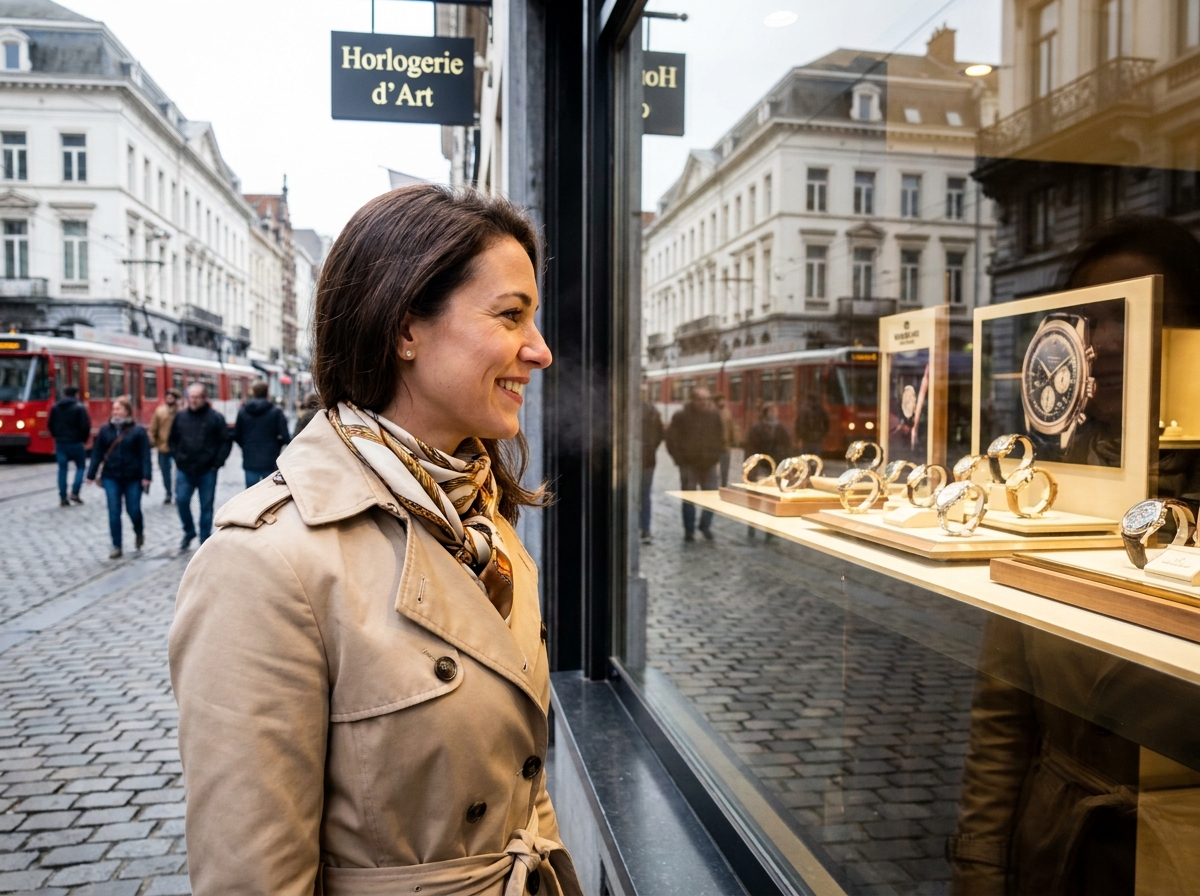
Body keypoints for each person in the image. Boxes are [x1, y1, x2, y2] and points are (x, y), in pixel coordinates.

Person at [169, 185, 580, 895]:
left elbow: (521, 783)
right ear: (405, 329)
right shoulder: (264, 562)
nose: (539, 351)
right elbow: (252, 878)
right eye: (512, 315)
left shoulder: (484, 526)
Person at [85, 397, 151, 559]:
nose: (115, 412)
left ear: (127, 411)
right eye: (114, 409)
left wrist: (146, 476)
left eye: (119, 409)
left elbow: (145, 455)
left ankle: (139, 531)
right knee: (114, 511)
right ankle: (117, 545)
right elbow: (97, 453)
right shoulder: (105, 430)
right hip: (111, 476)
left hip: (133, 477)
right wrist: (91, 475)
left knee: (133, 509)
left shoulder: (138, 431)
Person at [169, 383, 231, 551]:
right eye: (191, 397)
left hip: (207, 470)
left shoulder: (215, 418)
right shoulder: (180, 417)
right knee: (181, 501)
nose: (193, 400)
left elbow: (225, 441)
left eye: (197, 397)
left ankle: (204, 538)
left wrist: (217, 462)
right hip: (184, 469)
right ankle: (189, 531)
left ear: (204, 398)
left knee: (206, 506)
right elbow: (172, 440)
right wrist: (177, 458)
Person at [665, 386, 725, 541]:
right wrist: (679, 460)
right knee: (689, 498)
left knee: (711, 496)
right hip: (688, 464)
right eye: (700, 399)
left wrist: (716, 456)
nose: (703, 402)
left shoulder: (714, 416)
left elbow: (721, 438)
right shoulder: (681, 416)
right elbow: (671, 439)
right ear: (693, 400)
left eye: (706, 399)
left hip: (709, 463)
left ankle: (705, 525)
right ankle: (689, 531)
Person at [233, 380, 291, 487]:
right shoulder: (276, 412)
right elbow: (285, 436)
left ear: (253, 393)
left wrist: (245, 445)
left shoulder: (243, 411)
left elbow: (236, 434)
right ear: (267, 393)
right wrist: (278, 445)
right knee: (269, 493)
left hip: (250, 458)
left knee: (251, 493)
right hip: (270, 458)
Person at [48, 384, 91, 506]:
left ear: (64, 393)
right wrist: (83, 439)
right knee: (81, 467)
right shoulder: (79, 407)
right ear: (76, 395)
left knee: (62, 469)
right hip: (76, 443)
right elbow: (85, 426)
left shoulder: (55, 407)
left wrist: (56, 436)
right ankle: (75, 492)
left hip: (61, 443)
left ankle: (62, 497)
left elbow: (50, 424)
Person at [148, 389, 179, 504]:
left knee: (179, 473)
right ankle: (168, 492)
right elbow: (153, 428)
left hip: (179, 448)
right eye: (168, 397)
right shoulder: (160, 411)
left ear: (176, 399)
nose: (169, 399)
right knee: (165, 472)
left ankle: (177, 493)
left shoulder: (181, 411)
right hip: (163, 446)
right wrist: (153, 442)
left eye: (172, 397)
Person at [640, 397, 664, 542]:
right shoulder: (653, 412)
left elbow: (659, 435)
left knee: (639, 495)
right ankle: (645, 528)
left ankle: (641, 526)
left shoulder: (650, 413)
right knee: (645, 495)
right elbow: (660, 435)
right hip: (648, 460)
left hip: (643, 460)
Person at [796, 391, 830, 457]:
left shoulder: (803, 409)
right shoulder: (821, 409)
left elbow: (799, 423)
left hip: (806, 438)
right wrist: (823, 433)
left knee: (805, 457)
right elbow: (827, 423)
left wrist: (800, 435)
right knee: (816, 457)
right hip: (818, 437)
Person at [715, 393, 736, 485]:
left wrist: (733, 440)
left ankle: (724, 485)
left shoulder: (727, 412)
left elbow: (731, 427)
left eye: (723, 400)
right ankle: (713, 486)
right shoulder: (711, 413)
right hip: (713, 446)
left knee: (725, 469)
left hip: (725, 445)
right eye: (720, 400)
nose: (722, 402)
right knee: (713, 470)